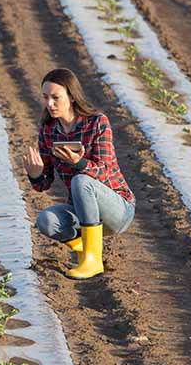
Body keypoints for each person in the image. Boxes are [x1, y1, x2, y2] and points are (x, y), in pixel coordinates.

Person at [23, 68, 135, 279]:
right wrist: (36, 174)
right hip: (83, 213)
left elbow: (105, 171)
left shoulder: (97, 123)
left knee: (81, 180)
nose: (49, 104)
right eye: (46, 97)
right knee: (46, 220)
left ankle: (92, 261)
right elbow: (43, 184)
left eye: (56, 98)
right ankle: (88, 250)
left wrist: (80, 162)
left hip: (118, 209)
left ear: (72, 97)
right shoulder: (48, 130)